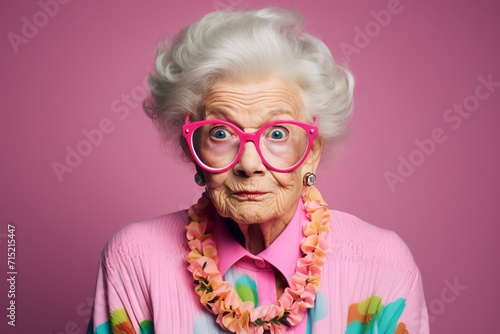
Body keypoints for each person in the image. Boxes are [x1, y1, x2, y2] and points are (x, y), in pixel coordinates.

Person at [87, 7, 429, 334]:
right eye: (221, 133)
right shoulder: (135, 260)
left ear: (313, 151)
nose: (249, 164)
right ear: (192, 150)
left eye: (277, 134)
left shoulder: (381, 264)